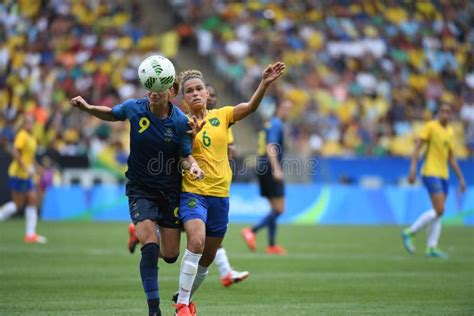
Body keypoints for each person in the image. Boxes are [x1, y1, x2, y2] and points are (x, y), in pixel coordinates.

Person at [70, 81, 204, 316]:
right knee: (150, 248)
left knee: (171, 255)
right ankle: (154, 309)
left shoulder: (181, 121)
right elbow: (113, 114)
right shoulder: (134, 107)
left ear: (171, 92)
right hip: (140, 189)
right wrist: (88, 107)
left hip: (170, 192)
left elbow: (185, 156)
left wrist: (191, 167)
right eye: (150, 86)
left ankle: (137, 233)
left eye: (159, 88)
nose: (153, 92)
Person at [173, 62, 285, 316]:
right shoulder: (181, 124)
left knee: (208, 257)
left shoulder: (222, 115)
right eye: (189, 91)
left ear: (206, 92)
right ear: (184, 98)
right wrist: (190, 155)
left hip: (220, 196)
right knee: (197, 241)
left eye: (199, 88)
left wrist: (264, 83)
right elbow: (180, 156)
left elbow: (250, 107)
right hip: (193, 193)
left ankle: (185, 298)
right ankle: (181, 305)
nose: (196, 93)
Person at [402, 104, 466, 258]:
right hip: (430, 172)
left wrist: (461, 178)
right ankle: (410, 231)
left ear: (450, 115)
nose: (445, 114)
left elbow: (451, 157)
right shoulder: (430, 127)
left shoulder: (450, 132)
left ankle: (431, 247)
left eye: (448, 112)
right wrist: (412, 169)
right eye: (442, 111)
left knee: (439, 212)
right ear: (438, 113)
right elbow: (417, 148)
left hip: (444, 175)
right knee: (440, 209)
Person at [206, 83, 249, 287]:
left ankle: (226, 272)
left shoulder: (221, 120)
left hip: (215, 184)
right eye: (209, 94)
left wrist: (229, 152)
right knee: (186, 233)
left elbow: (228, 148)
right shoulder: (186, 121)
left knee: (209, 233)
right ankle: (143, 231)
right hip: (192, 185)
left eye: (214, 94)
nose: (212, 98)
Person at [241, 100, 292, 255]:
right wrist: (277, 169)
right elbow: (271, 146)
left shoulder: (269, 124)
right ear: (278, 110)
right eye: (285, 108)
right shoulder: (276, 124)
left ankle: (271, 245)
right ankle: (251, 231)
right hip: (269, 167)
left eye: (290, 109)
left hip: (262, 166)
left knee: (274, 209)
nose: (288, 112)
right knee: (280, 209)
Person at [0, 115, 47, 244]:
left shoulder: (32, 137)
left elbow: (30, 156)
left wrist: (37, 167)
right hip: (19, 174)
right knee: (18, 204)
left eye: (32, 123)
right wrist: (25, 167)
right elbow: (15, 152)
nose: (30, 125)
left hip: (26, 175)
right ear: (24, 124)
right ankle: (30, 234)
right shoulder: (22, 135)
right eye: (28, 123)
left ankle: (30, 235)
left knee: (32, 200)